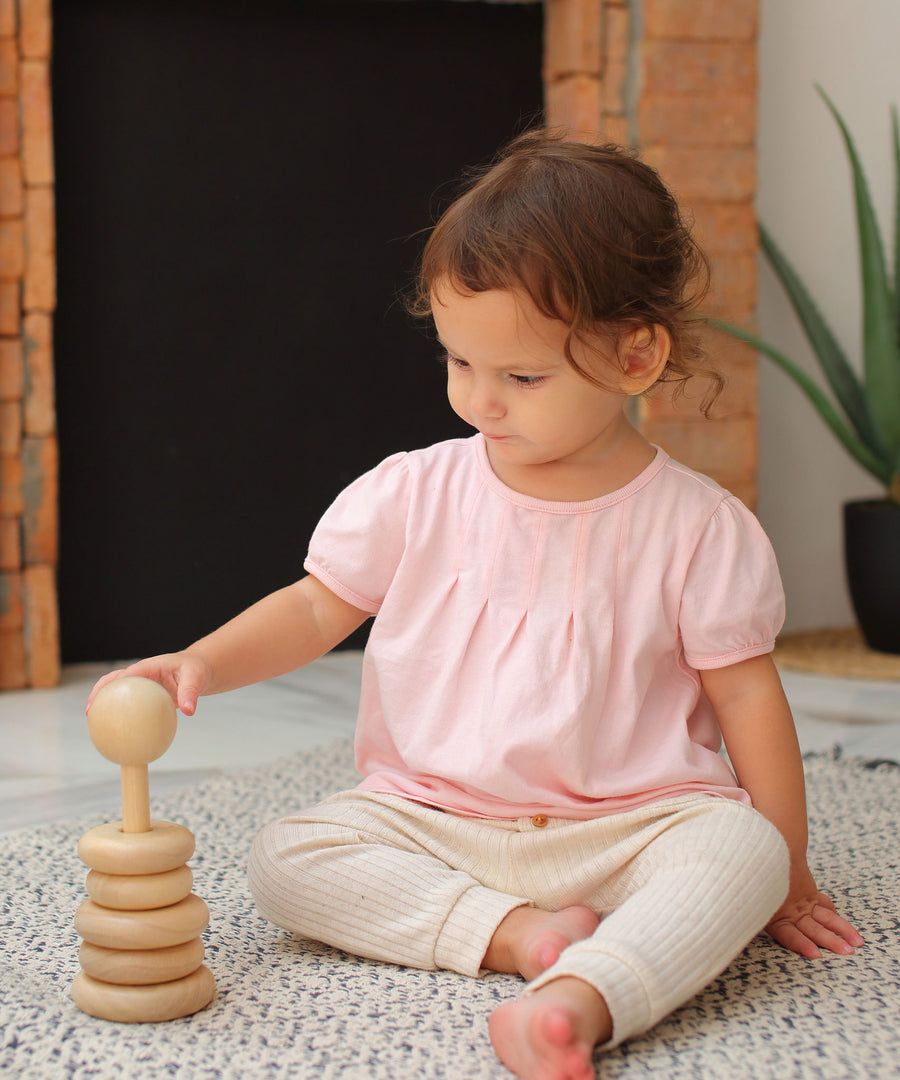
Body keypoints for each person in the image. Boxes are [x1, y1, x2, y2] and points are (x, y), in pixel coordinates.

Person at [88, 131, 863, 1080]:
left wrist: (787, 874)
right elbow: (311, 608)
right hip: (435, 818)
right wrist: (201, 661)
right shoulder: (415, 493)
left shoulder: (698, 526)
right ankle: (526, 939)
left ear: (636, 355)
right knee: (286, 856)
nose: (480, 402)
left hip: (632, 824)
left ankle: (581, 1000)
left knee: (742, 851)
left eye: (521, 377)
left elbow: (748, 702)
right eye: (460, 364)